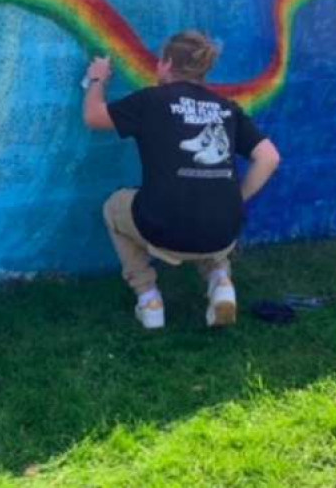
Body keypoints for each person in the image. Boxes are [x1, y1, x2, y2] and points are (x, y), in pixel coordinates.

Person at [82, 30, 281, 329]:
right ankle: (220, 282)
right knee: (210, 211)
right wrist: (236, 200)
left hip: (163, 228)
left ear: (166, 63)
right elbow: (269, 157)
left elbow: (94, 117)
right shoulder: (226, 108)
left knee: (113, 208)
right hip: (223, 230)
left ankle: (148, 297)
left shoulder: (151, 101)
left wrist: (98, 79)